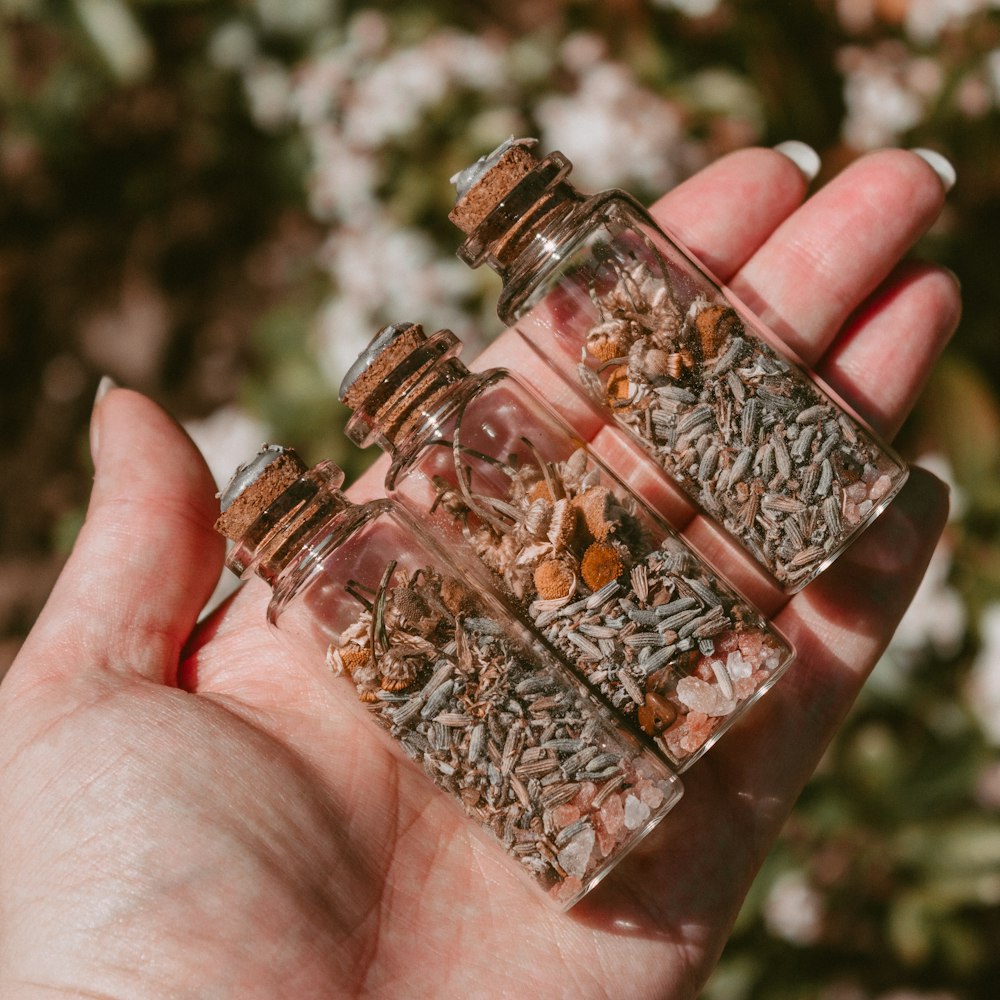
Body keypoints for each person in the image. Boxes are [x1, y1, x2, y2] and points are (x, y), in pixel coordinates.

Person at [0, 145, 960, 999]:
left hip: (722, 623)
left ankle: (730, 631)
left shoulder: (489, 401)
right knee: (527, 618)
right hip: (588, 809)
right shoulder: (355, 558)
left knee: (634, 503)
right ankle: (658, 723)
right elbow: (489, 671)